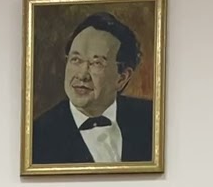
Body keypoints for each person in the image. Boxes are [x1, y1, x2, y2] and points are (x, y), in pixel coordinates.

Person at [31, 11, 154, 165]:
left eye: (97, 63)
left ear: (122, 77)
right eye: (76, 60)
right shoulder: (38, 135)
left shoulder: (151, 118)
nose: (82, 75)